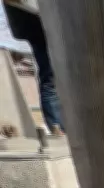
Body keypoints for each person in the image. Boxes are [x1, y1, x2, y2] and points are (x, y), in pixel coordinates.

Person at [3, 0, 64, 136]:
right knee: (51, 79)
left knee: (51, 78)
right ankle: (57, 127)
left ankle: (58, 127)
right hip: (38, 23)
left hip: (34, 23)